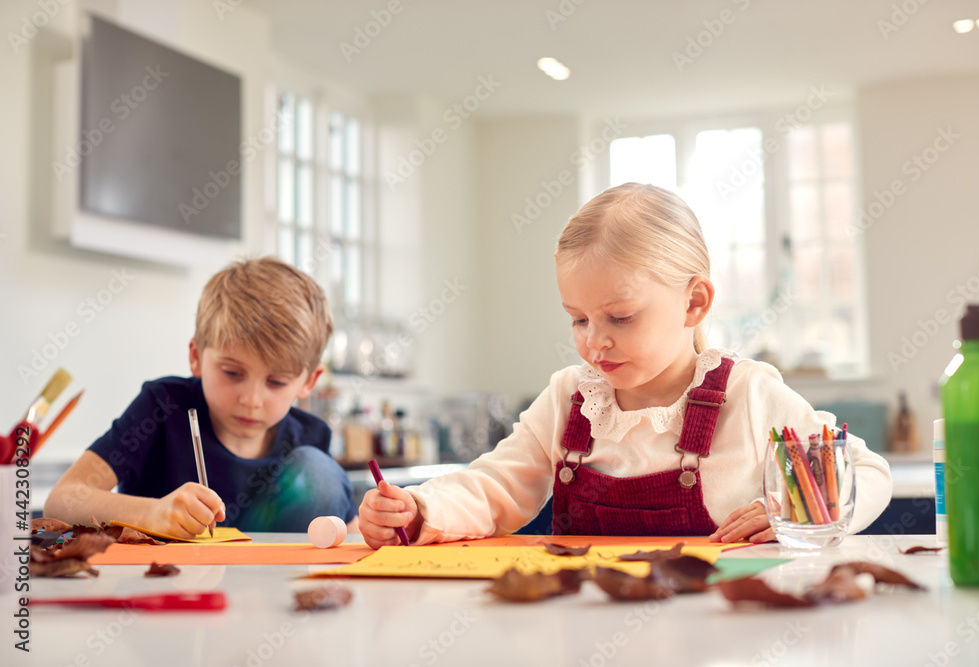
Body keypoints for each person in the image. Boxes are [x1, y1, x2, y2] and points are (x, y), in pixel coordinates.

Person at [360, 183, 891, 547]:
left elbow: (867, 472)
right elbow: (494, 487)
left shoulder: (750, 397)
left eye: (620, 317)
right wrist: (418, 509)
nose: (595, 343)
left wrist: (806, 511)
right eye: (578, 320)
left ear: (694, 303)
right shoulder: (570, 399)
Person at [46, 257, 358, 537]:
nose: (251, 399)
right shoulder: (162, 406)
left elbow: (348, 532)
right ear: (196, 357)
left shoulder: (309, 437)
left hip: (266, 593)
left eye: (276, 382)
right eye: (232, 373)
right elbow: (62, 501)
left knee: (320, 473)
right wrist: (151, 513)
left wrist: (386, 523)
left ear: (309, 381)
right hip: (168, 587)